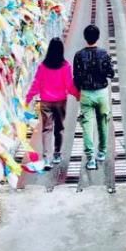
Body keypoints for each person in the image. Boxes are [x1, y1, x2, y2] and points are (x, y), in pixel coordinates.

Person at [26, 38, 79, 169]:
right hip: (60, 102)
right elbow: (69, 85)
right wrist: (78, 95)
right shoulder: (66, 66)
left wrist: (28, 98)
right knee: (59, 128)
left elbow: (36, 84)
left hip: (46, 102)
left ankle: (46, 158)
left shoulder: (42, 67)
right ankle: (57, 153)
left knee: (46, 129)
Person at [73, 24, 115, 171]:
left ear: (85, 37)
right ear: (98, 37)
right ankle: (102, 153)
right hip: (102, 92)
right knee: (103, 122)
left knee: (87, 126)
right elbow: (111, 73)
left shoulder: (78, 55)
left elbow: (76, 78)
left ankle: (90, 159)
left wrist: (79, 91)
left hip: (86, 93)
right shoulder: (103, 54)